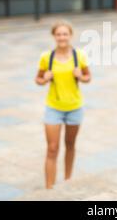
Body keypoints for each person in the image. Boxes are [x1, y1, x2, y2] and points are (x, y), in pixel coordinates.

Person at [35, 20, 91, 189]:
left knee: (70, 145)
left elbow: (88, 77)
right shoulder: (47, 57)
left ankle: (67, 180)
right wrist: (44, 79)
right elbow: (38, 79)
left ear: (70, 35)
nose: (62, 37)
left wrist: (81, 76)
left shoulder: (78, 56)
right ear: (54, 36)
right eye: (58, 34)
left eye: (65, 34)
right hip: (53, 108)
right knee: (52, 148)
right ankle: (49, 188)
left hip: (74, 108)